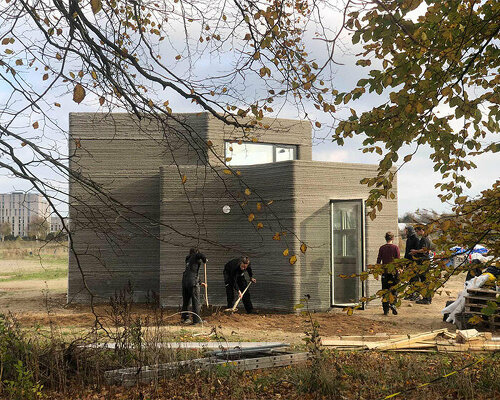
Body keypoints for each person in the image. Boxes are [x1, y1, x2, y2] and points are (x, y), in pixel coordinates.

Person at [181, 248, 207, 324]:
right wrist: (204, 259)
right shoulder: (195, 256)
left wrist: (201, 282)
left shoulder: (188, 259)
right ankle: (197, 320)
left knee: (186, 301)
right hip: (192, 283)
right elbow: (200, 255)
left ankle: (185, 318)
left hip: (185, 282)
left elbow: (192, 271)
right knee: (196, 301)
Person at [377, 232, 400, 315]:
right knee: (394, 290)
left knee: (385, 291)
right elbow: (398, 260)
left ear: (385, 238)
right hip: (394, 272)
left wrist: (378, 270)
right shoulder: (395, 248)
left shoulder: (382, 248)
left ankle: (385, 309)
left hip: (385, 272)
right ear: (392, 239)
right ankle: (393, 304)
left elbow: (379, 260)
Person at [411, 226, 433, 304]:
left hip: (424, 262)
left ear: (421, 230)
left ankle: (426, 299)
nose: (417, 233)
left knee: (425, 280)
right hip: (425, 261)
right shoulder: (427, 238)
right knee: (425, 280)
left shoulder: (424, 238)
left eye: (417, 231)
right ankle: (426, 298)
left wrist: (415, 251)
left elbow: (424, 250)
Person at [404, 225, 420, 300]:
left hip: (414, 262)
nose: (405, 232)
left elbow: (417, 251)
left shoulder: (416, 239)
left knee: (414, 278)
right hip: (408, 261)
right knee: (410, 278)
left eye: (406, 230)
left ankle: (416, 294)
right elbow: (406, 251)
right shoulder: (409, 239)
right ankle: (411, 293)